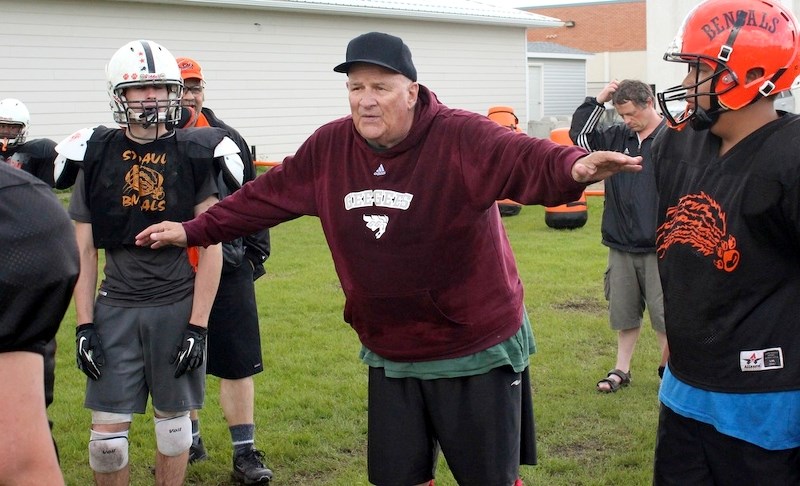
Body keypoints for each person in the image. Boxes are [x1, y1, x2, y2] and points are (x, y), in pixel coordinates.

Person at [136, 32, 642, 486]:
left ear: (412, 91)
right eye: (356, 87)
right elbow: (262, 197)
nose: (366, 100)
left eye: (380, 86)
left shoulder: (459, 136)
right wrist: (192, 229)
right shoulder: (331, 147)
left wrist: (574, 166)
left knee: (488, 478)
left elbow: (523, 156)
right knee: (399, 477)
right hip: (391, 348)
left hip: (472, 343)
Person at [57, 39, 228, 486]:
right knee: (107, 442)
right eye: (141, 89)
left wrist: (198, 325)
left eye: (161, 88)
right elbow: (83, 250)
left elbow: (213, 244)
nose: (152, 98)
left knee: (175, 431)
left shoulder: (194, 152)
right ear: (121, 94)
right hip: (117, 305)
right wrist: (84, 323)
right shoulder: (96, 154)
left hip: (176, 302)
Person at [651, 0, 800, 483]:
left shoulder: (790, 156)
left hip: (766, 395)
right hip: (687, 382)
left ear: (748, 73)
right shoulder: (677, 142)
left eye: (699, 69)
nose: (688, 83)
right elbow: (675, 249)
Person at [175, 56, 273, 484]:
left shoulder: (226, 138)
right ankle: (191, 439)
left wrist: (254, 255)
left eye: (194, 87)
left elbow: (255, 199)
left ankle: (245, 453)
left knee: (237, 363)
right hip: (174, 272)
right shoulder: (149, 142)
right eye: (179, 88)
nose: (188, 95)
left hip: (229, 266)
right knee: (181, 359)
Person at [569, 80, 668, 393]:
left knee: (666, 317)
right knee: (624, 313)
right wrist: (598, 101)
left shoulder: (673, 139)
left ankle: (671, 373)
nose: (627, 119)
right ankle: (621, 370)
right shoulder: (615, 137)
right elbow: (580, 137)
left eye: (632, 113)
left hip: (661, 247)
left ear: (648, 102)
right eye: (622, 113)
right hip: (621, 243)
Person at [0, 96, 79, 459]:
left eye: (11, 127)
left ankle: (35, 436)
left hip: (27, 251)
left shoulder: (39, 151)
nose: (5, 134)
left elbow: (63, 177)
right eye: (2, 127)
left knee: (30, 347)